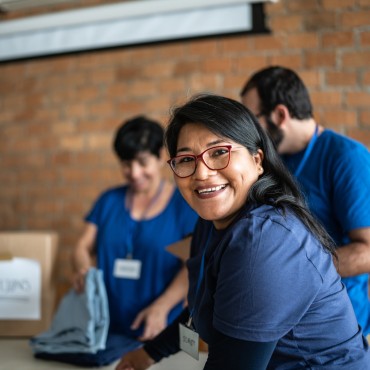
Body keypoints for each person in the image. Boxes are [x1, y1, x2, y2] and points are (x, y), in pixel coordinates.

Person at [115, 94, 370, 370]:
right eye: (186, 159)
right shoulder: (209, 224)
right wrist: (150, 353)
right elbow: (212, 306)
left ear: (257, 160)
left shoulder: (266, 239)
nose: (201, 173)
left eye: (219, 152)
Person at [240, 66, 370, 337]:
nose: (248, 133)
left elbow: (368, 250)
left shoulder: (347, 157)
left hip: (337, 325)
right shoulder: (271, 161)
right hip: (280, 318)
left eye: (253, 121)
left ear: (280, 114)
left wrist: (289, 272)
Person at [72, 116, 198, 342]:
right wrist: (83, 269)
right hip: (107, 328)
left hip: (161, 330)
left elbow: (192, 266)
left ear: (160, 156)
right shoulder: (108, 200)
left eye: (142, 162)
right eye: (126, 164)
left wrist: (161, 307)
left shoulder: (182, 205)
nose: (134, 172)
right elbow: (82, 246)